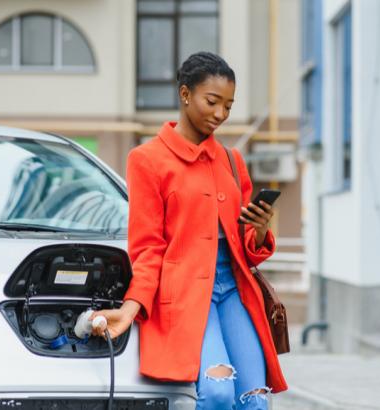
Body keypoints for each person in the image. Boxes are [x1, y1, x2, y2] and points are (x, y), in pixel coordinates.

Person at [92, 51, 287, 409]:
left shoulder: (231, 160)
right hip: (184, 297)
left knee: (256, 402)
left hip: (234, 291)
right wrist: (132, 307)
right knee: (216, 392)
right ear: (185, 95)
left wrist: (259, 232)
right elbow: (148, 247)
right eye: (212, 102)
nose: (220, 114)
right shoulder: (148, 160)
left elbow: (245, 246)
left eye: (228, 106)